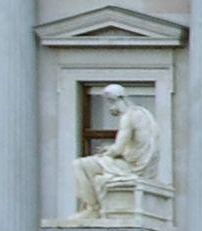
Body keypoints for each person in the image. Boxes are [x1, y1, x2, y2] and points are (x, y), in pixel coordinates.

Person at [67, 84, 163, 222]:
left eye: (109, 102)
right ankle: (93, 207)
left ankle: (92, 208)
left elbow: (117, 149)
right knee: (93, 163)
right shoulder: (141, 113)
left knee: (80, 164)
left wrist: (106, 153)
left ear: (114, 101)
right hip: (142, 167)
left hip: (132, 169)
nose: (109, 107)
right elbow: (134, 147)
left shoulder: (127, 117)